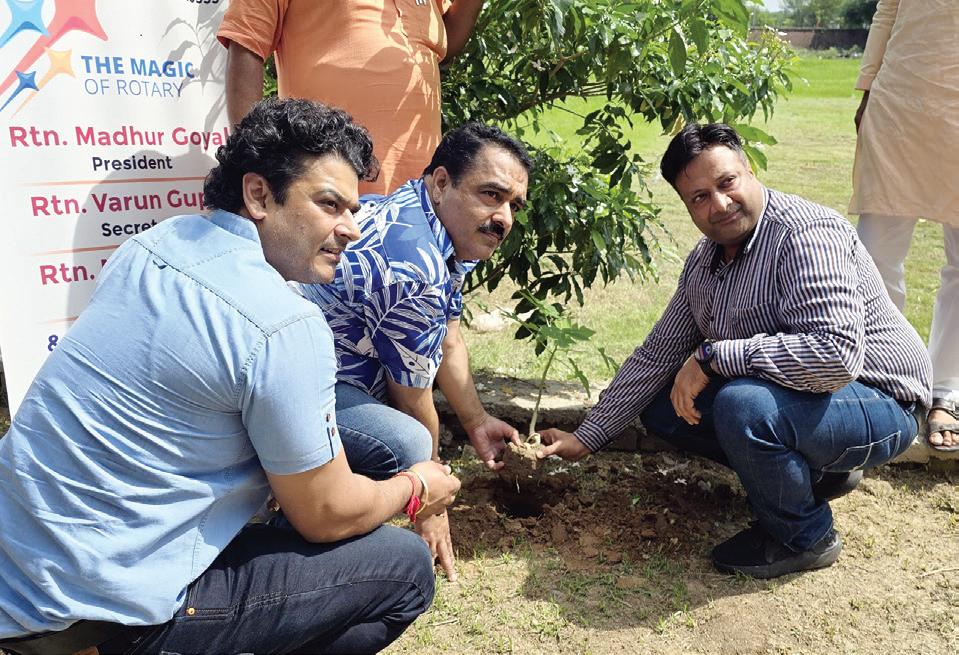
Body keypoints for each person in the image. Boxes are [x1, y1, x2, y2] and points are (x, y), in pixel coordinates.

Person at [0, 98, 460, 655]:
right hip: (98, 611)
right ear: (258, 195)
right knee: (405, 569)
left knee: (391, 442)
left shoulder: (153, 243)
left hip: (16, 570)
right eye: (329, 205)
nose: (350, 229)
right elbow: (326, 515)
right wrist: (417, 488)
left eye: (353, 209)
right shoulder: (283, 322)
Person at [536, 123, 932, 579]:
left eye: (727, 182)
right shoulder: (705, 261)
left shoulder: (806, 235)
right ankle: (817, 476)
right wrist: (587, 437)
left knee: (743, 406)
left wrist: (713, 357)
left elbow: (835, 356)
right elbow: (658, 353)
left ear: (750, 171)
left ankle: (805, 536)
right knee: (664, 404)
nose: (720, 204)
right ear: (687, 206)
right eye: (699, 197)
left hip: (881, 398)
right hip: (808, 402)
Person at [301, 122, 531, 582]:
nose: (504, 217)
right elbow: (411, 399)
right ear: (442, 181)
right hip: (301, 385)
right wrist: (431, 499)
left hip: (326, 366)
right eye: (491, 195)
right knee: (406, 440)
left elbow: (448, 335)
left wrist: (476, 421)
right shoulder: (415, 267)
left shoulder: (427, 216)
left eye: (514, 205)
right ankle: (306, 533)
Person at [217, 0, 487, 195]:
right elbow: (247, 43)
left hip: (421, 199)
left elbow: (445, 40)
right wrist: (255, 161)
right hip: (325, 198)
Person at [850, 0, 959, 452]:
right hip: (899, 99)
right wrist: (867, 87)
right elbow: (888, 10)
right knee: (874, 253)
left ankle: (945, 391)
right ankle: (883, 378)